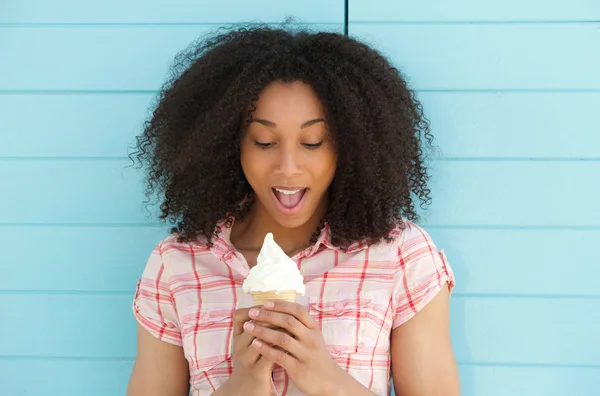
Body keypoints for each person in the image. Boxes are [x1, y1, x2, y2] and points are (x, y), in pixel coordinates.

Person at [126, 24, 460, 396]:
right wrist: (242, 385)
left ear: (349, 144)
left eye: (313, 142)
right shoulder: (176, 265)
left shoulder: (401, 256)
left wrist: (325, 378)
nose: (288, 166)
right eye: (265, 142)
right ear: (229, 144)